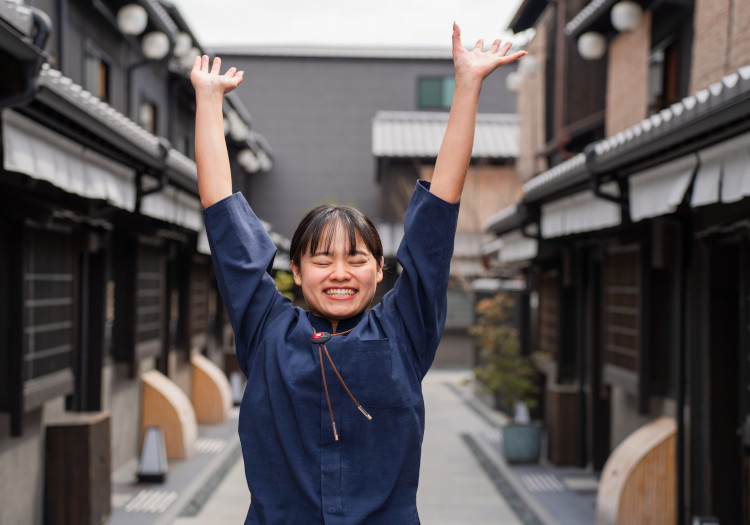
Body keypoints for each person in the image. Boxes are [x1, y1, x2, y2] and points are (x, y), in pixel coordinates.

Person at [192, 23, 525, 525]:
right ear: (297, 273)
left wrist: (468, 85)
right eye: (322, 260)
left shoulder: (403, 330)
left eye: (356, 259)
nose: (339, 273)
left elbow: (437, 220)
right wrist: (208, 101)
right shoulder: (265, 328)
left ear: (379, 270)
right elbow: (223, 218)